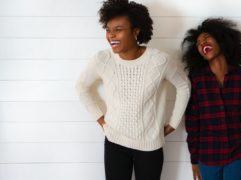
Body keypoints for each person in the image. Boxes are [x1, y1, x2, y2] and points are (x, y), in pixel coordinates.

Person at [76, 0, 190, 179]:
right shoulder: (102, 59)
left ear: (136, 31)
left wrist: (174, 122)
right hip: (114, 142)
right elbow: (82, 87)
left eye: (118, 29)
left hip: (149, 146)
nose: (111, 35)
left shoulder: (160, 61)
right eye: (108, 29)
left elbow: (184, 86)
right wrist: (101, 120)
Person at [182, 18, 241, 180]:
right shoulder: (196, 79)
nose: (202, 43)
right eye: (198, 43)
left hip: (238, 154)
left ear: (221, 39)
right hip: (207, 156)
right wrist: (194, 158)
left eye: (206, 37)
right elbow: (192, 123)